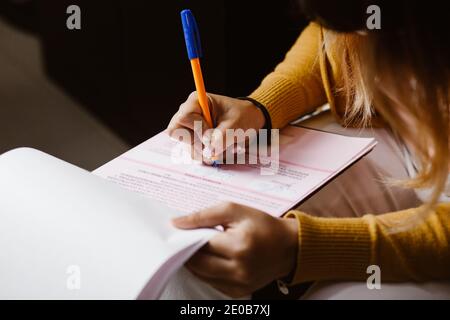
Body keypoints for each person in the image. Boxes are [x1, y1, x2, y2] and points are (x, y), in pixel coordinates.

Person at [162, 0, 450, 299]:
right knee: (192, 248)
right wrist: (259, 108)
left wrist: (303, 248)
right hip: (391, 130)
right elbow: (333, 31)